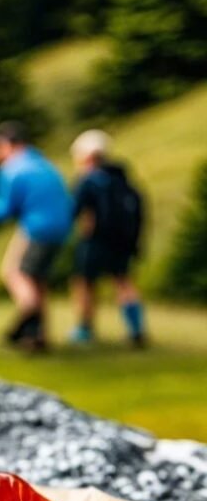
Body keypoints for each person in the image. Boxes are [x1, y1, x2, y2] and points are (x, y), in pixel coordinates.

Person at [0, 121, 73, 351]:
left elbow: (3, 210)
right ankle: (39, 336)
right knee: (38, 279)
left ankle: (29, 313)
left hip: (36, 227)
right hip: (61, 227)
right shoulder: (43, 163)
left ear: (3, 144)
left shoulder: (12, 168)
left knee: (15, 273)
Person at [69, 129, 147, 347]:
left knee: (84, 282)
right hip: (122, 241)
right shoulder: (122, 178)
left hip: (95, 240)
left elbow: (74, 210)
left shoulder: (89, 180)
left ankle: (84, 329)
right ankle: (136, 329)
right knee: (123, 282)